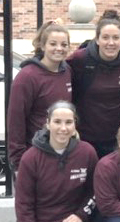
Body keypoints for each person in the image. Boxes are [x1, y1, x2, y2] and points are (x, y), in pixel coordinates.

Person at [67, 11, 120, 158]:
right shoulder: (80, 59)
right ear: (97, 39)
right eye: (105, 37)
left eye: (116, 38)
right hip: (83, 138)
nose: (111, 43)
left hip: (115, 137)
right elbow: (59, 79)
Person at [7, 21, 73, 172]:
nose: (59, 48)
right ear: (43, 46)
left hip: (63, 154)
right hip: (35, 155)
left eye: (64, 45)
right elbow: (16, 120)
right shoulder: (27, 77)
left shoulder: (67, 72)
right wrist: (18, 162)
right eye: (53, 44)